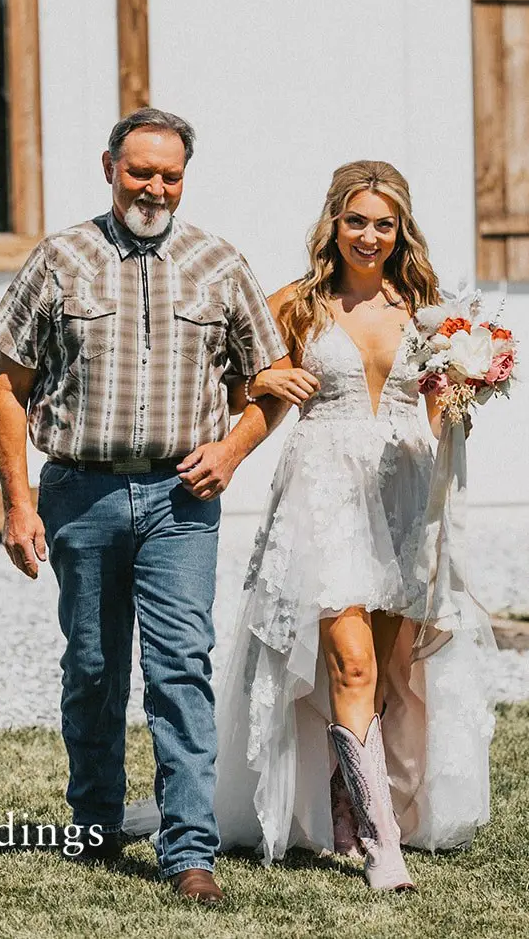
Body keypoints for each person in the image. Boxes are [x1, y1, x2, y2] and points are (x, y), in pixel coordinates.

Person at [0, 107, 289, 906]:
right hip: (79, 491)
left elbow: (274, 380)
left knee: (180, 667)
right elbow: (8, 387)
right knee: (92, 667)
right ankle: (95, 823)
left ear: (185, 176)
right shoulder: (60, 259)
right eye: (140, 170)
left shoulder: (220, 264)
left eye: (170, 174)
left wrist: (230, 450)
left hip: (179, 498)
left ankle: (190, 851)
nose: (155, 186)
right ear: (109, 166)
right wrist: (19, 504)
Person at [209, 160, 497, 891]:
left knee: (392, 674)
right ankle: (382, 842)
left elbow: (439, 414)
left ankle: (345, 802)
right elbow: (241, 381)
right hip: (325, 493)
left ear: (401, 230)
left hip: (405, 489)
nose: (369, 236)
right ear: (332, 224)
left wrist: (467, 386)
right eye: (356, 220)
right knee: (352, 664)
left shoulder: (427, 310)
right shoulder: (298, 305)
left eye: (384, 223)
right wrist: (255, 395)